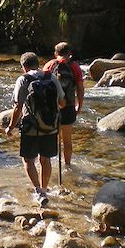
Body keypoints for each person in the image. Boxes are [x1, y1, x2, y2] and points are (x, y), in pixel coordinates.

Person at [5, 52, 66, 206]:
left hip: (30, 127)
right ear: (37, 64)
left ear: (24, 67)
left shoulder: (23, 79)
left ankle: (38, 191)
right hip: (50, 127)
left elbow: (18, 107)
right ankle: (45, 189)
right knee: (45, 159)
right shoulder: (51, 77)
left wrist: (10, 127)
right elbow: (62, 102)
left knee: (28, 160)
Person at [43, 41, 85, 170]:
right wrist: (79, 106)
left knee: (49, 138)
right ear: (70, 53)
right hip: (68, 106)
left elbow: (41, 86)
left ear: (56, 53)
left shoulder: (49, 65)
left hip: (51, 107)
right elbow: (80, 89)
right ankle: (67, 166)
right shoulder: (75, 67)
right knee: (67, 140)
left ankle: (47, 165)